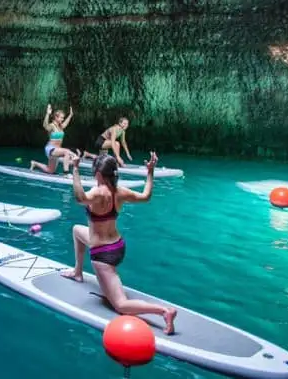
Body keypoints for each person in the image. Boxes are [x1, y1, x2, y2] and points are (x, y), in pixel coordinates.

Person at [60, 150, 177, 335]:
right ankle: (77, 272)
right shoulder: (120, 192)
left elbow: (79, 198)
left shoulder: (97, 193)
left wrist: (74, 168)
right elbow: (146, 196)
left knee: (120, 305)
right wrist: (150, 171)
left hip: (103, 255)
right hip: (118, 246)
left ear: (98, 174)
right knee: (77, 230)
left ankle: (164, 311)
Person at [29, 103, 75, 175]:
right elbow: (45, 126)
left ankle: (35, 163)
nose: (62, 119)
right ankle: (66, 173)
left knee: (50, 170)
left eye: (63, 118)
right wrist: (47, 114)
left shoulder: (60, 127)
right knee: (67, 152)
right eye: (61, 117)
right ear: (56, 117)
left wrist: (70, 115)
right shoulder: (52, 126)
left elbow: (66, 123)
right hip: (51, 149)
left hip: (57, 150)